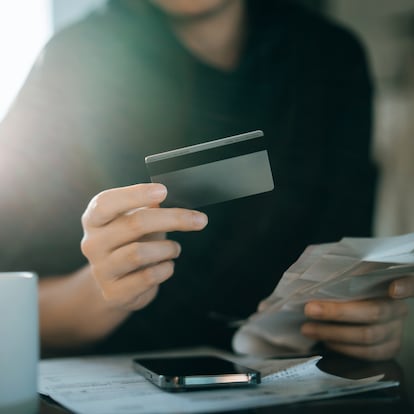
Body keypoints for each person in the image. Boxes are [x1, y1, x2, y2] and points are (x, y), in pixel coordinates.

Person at [0, 0, 413, 360]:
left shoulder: (332, 56)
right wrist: (104, 289)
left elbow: (349, 268)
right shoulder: (70, 66)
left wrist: (367, 326)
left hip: (305, 381)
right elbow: (14, 311)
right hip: (124, 383)